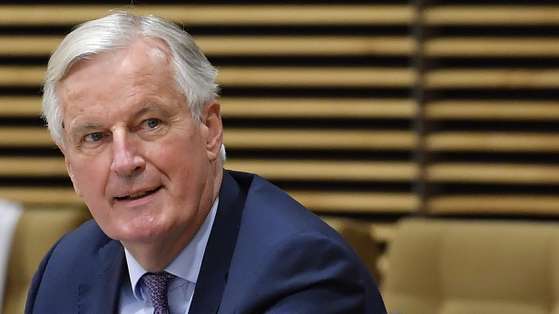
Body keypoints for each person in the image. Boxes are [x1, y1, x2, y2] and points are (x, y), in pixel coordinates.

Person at [25, 11, 386, 314]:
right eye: (95, 137)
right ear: (71, 167)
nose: (124, 161)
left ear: (210, 130)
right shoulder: (64, 268)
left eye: (150, 124)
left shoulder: (301, 270)